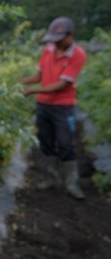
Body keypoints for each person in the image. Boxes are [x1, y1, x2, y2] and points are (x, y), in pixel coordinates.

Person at [20, 17, 87, 199]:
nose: (55, 43)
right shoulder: (48, 51)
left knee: (65, 144)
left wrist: (33, 90)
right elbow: (38, 76)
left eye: (59, 40)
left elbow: (62, 84)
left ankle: (72, 184)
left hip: (63, 106)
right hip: (43, 105)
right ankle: (52, 179)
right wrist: (21, 82)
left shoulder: (78, 55)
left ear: (70, 36)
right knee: (46, 142)